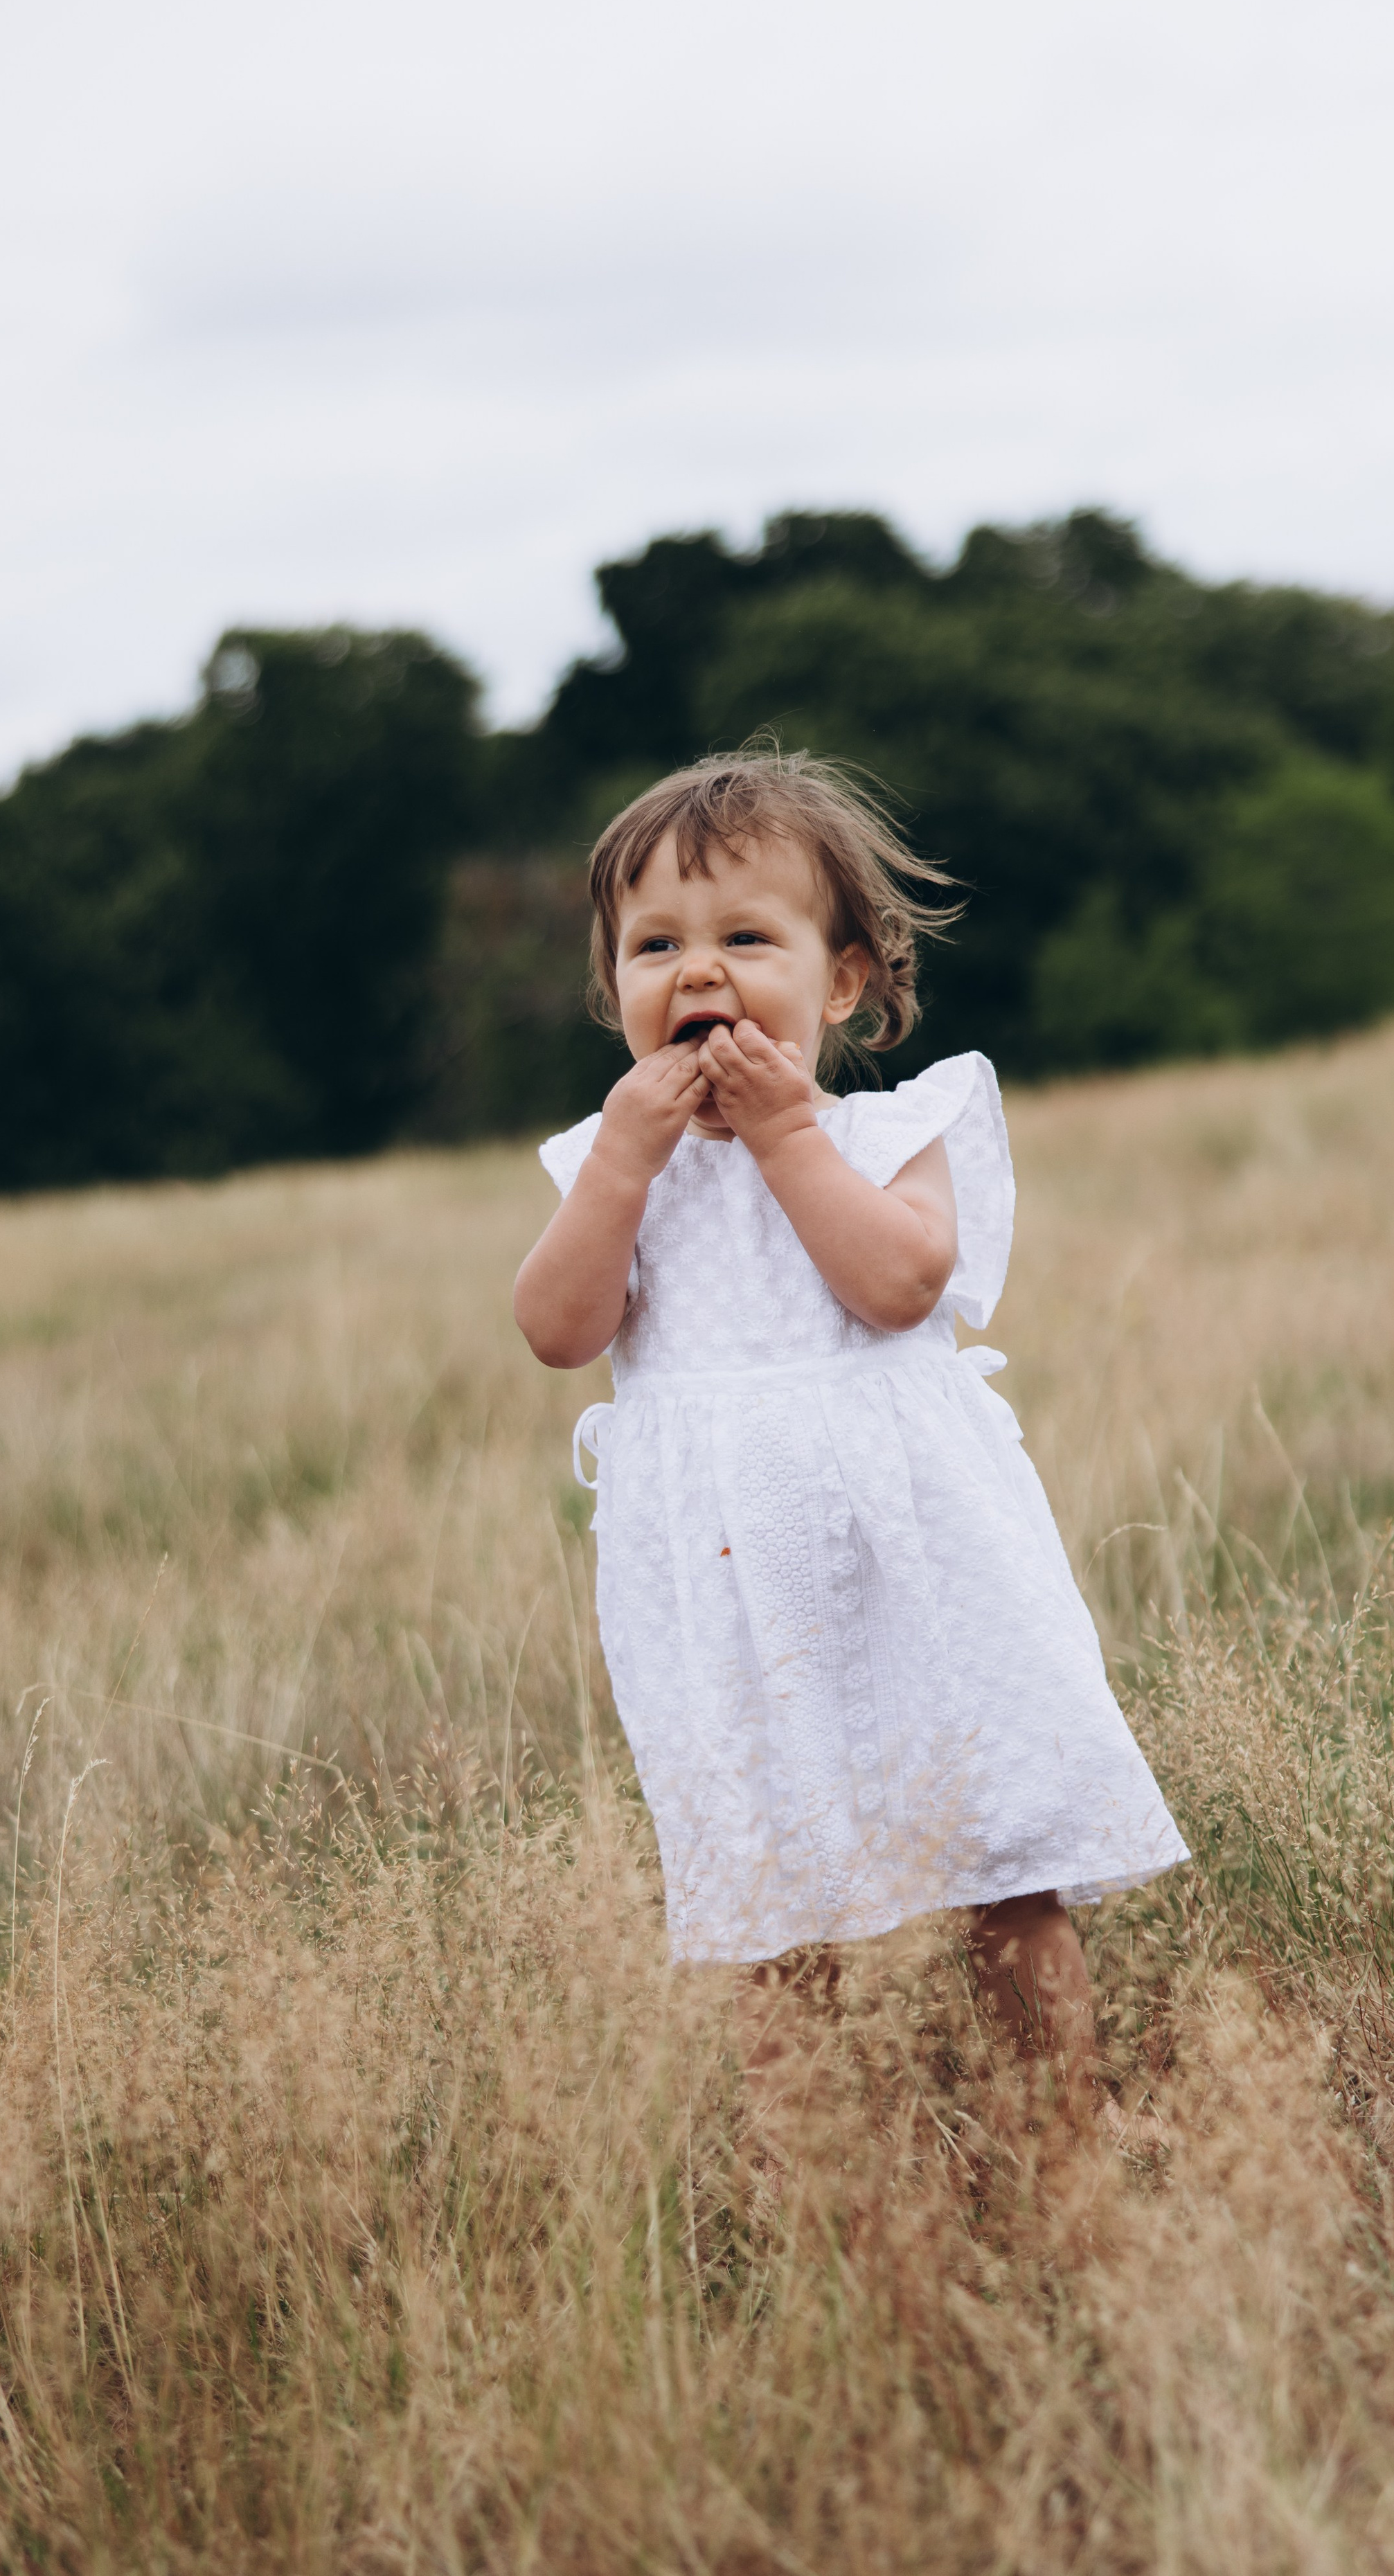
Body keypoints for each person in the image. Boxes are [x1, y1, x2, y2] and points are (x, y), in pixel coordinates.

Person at [514, 749, 1188, 2132]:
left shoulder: (892, 1128)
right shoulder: (610, 1161)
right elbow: (558, 1327)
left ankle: (1066, 2157)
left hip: (916, 1560)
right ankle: (838, 2220)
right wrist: (623, 1167)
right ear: (614, 990)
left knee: (1003, 1861)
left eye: (743, 938)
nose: (695, 973)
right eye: (653, 947)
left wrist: (781, 1137)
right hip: (730, 1585)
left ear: (841, 981)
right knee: (780, 1915)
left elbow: (893, 1285)